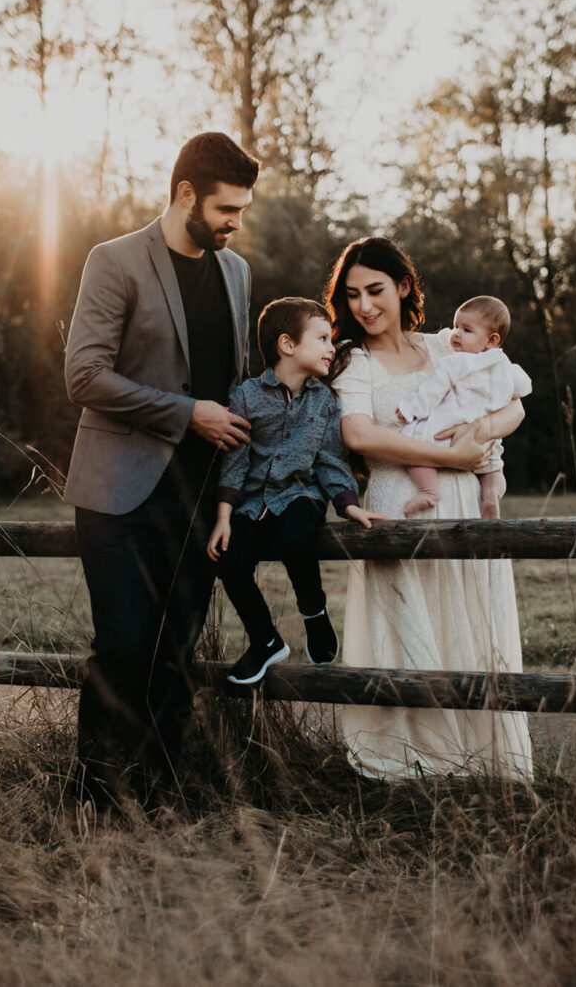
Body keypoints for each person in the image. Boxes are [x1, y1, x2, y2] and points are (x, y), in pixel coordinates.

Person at [62, 131, 257, 811]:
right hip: (120, 492)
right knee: (122, 647)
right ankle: (93, 800)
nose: (236, 223)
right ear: (185, 194)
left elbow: (236, 385)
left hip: (204, 499)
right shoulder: (113, 261)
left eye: (242, 210)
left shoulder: (236, 273)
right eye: (227, 209)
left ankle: (160, 798)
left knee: (175, 654)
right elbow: (83, 375)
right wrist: (187, 413)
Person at [324, 238, 536, 781]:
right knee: (408, 629)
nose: (365, 306)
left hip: (465, 500)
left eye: (376, 290)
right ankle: (411, 767)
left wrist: (478, 437)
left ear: (402, 287)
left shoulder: (447, 345)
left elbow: (511, 403)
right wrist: (448, 453)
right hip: (401, 504)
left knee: (469, 624)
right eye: (352, 296)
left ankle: (481, 767)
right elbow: (359, 434)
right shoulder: (354, 361)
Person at [206, 297, 383, 685]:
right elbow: (235, 461)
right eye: (321, 338)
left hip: (301, 494)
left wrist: (348, 504)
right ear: (288, 345)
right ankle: (265, 640)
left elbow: (330, 460)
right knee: (230, 561)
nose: (330, 348)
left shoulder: (324, 401)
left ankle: (314, 613)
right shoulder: (246, 397)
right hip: (251, 501)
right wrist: (223, 516)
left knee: (297, 535)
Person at [396, 295, 532, 519]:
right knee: (494, 468)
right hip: (487, 442)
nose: (456, 333)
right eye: (456, 326)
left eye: (467, 330)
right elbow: (525, 388)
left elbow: (433, 390)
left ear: (492, 340)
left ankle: (429, 491)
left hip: (451, 430)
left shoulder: (456, 362)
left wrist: (412, 409)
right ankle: (491, 497)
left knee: (413, 451)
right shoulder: (508, 367)